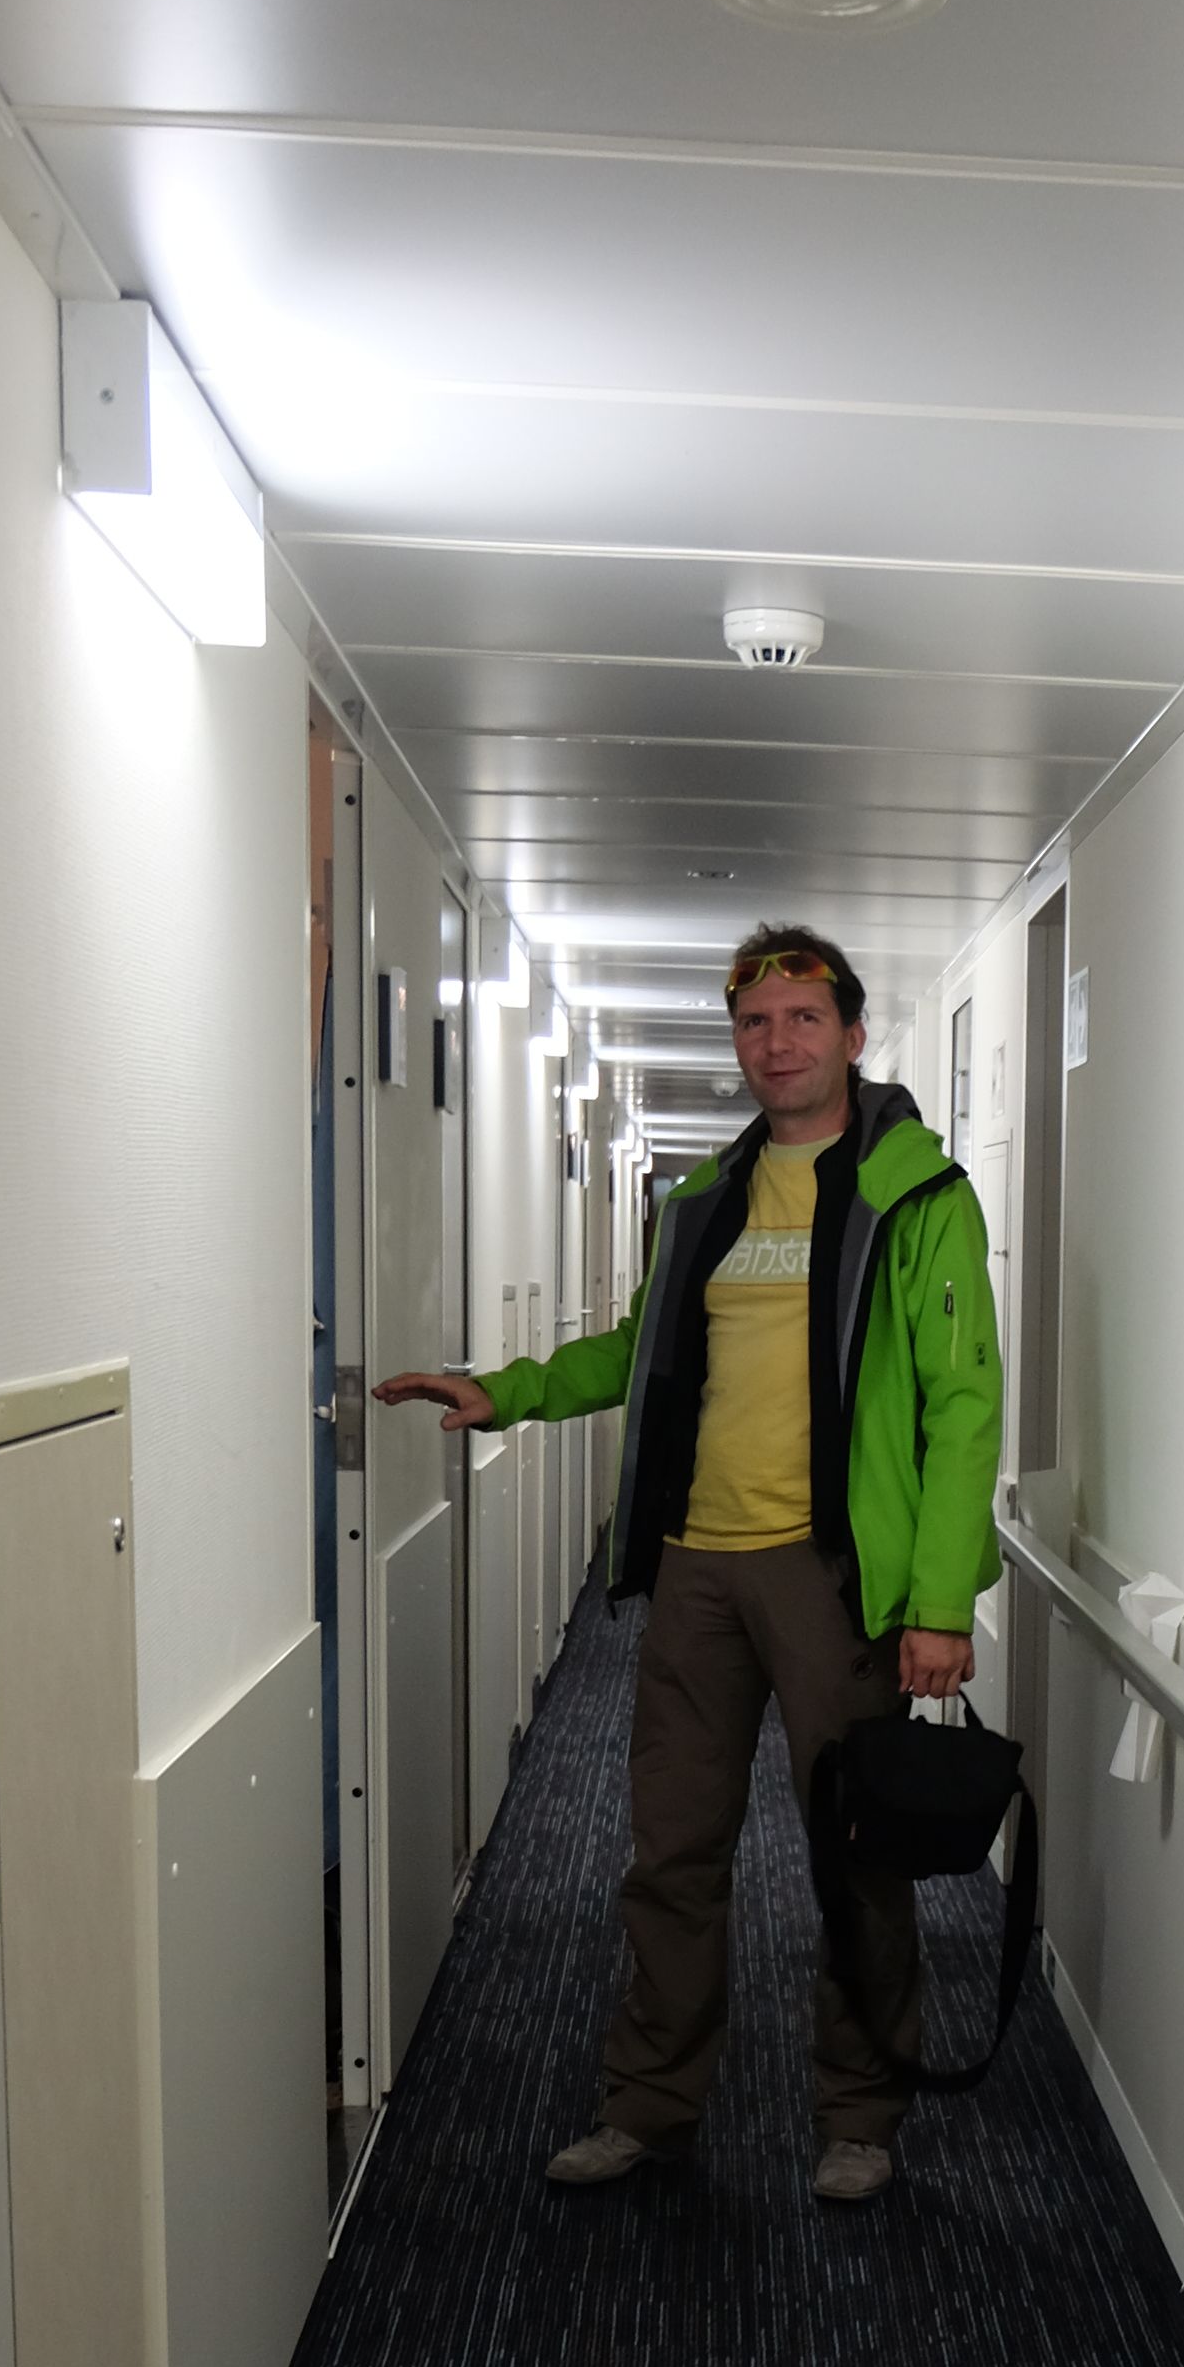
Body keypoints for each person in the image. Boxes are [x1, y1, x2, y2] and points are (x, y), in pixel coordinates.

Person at [378, 927, 1002, 2204]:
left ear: (851, 1035)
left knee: (855, 1853)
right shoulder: (707, 1200)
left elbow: (964, 1404)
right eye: (756, 1023)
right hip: (697, 1571)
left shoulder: (917, 1196)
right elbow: (642, 1351)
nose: (778, 1043)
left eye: (804, 1018)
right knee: (669, 1854)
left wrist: (940, 1603)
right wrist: (508, 1391)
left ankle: (860, 2114)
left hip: (833, 1577)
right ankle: (649, 2104)